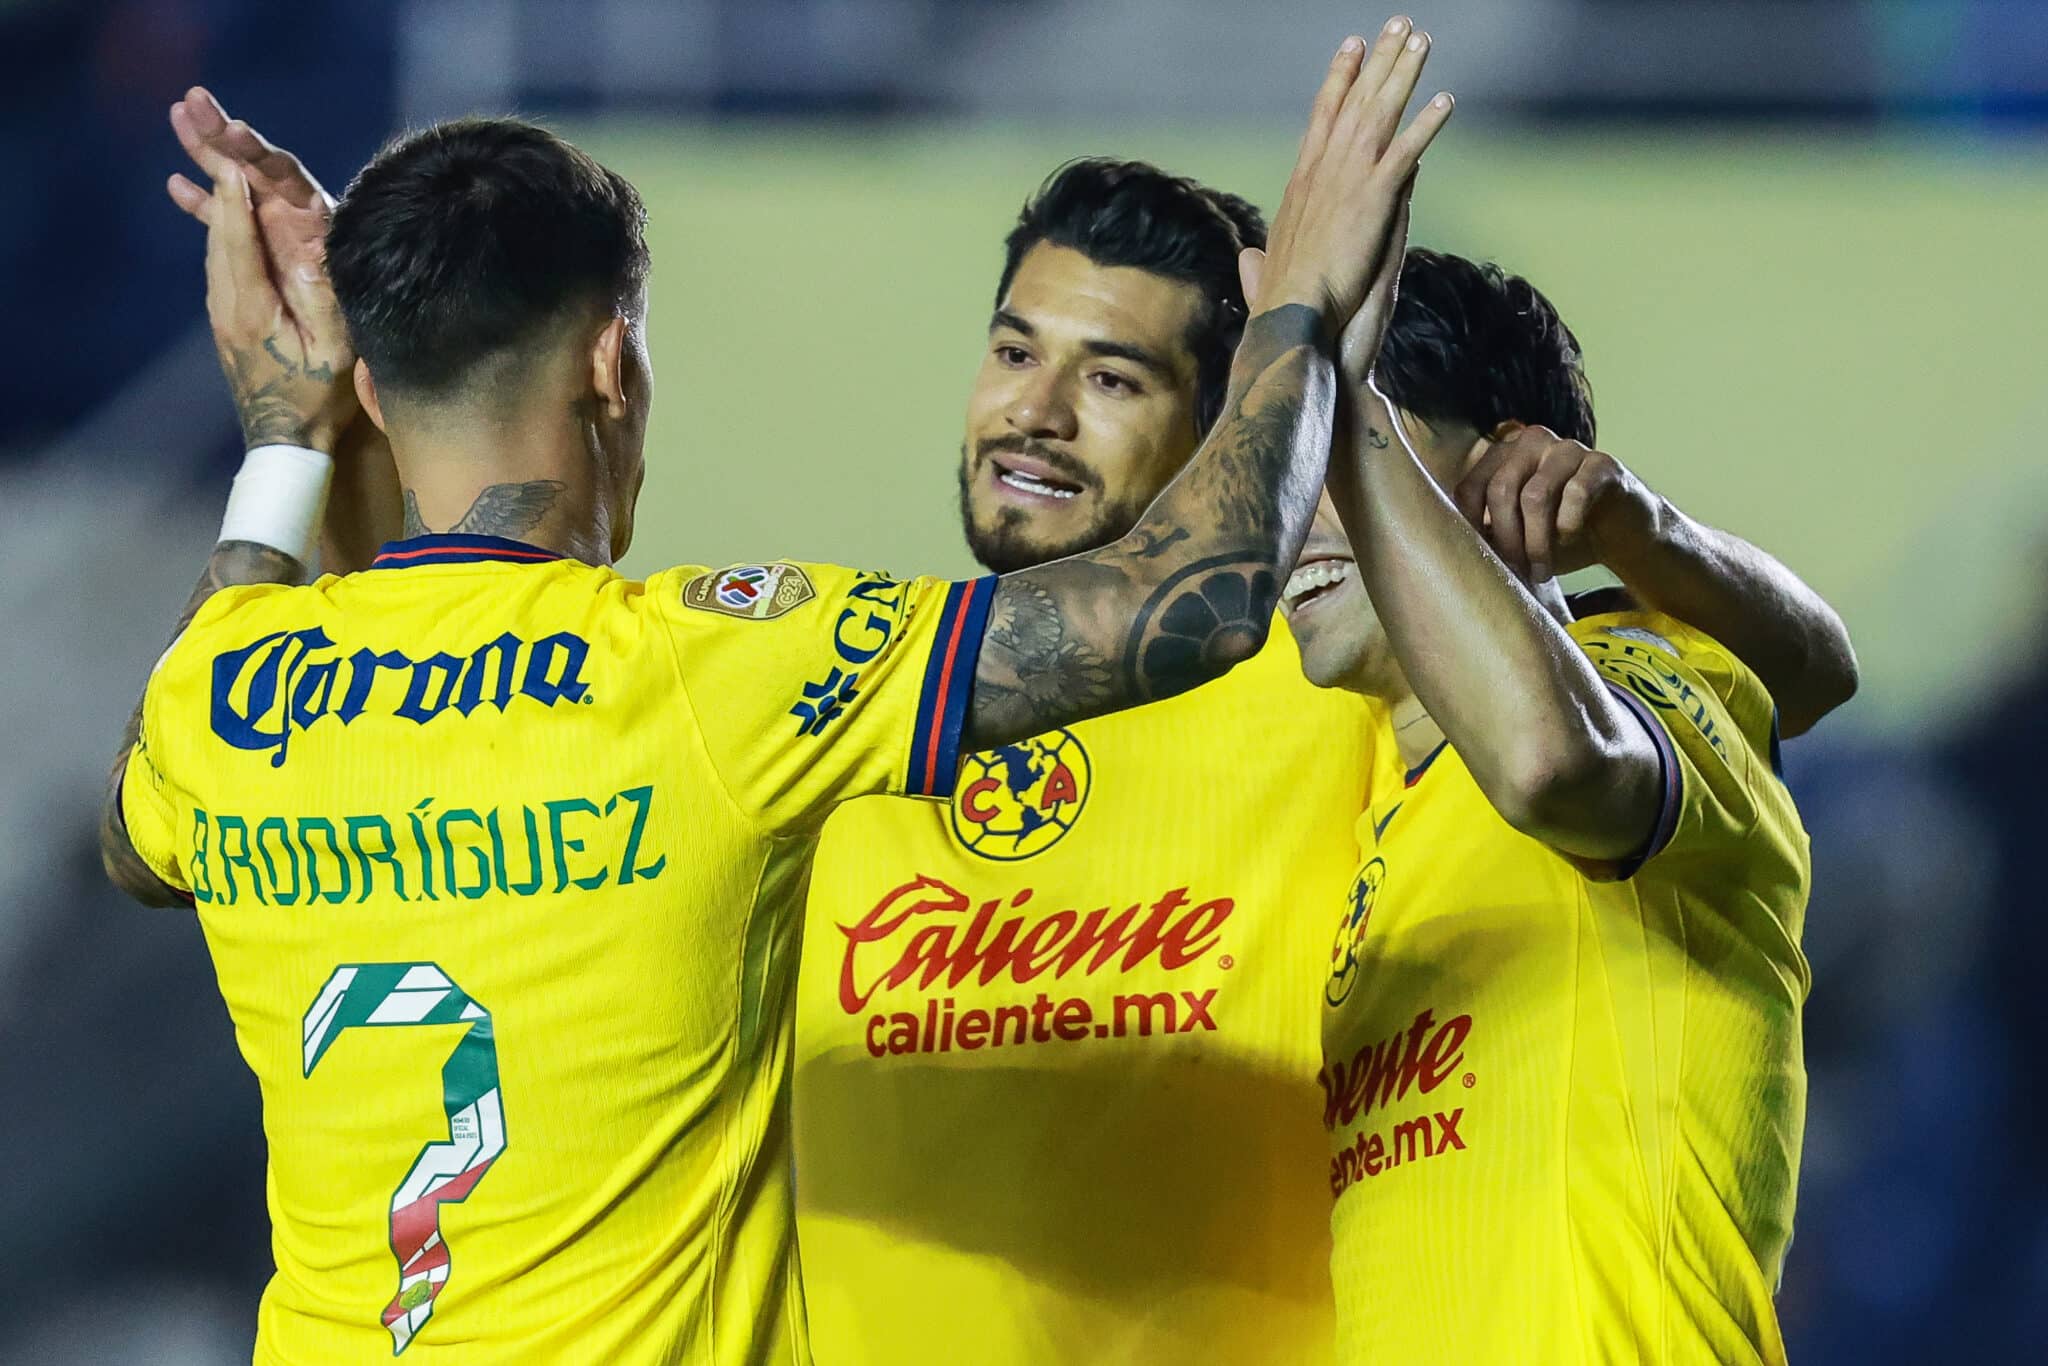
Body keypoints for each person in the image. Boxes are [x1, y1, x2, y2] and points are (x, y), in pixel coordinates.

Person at [168, 55, 1853, 1366]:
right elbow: (411, 662)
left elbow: (1753, 690)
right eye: (1010, 350)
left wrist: (1603, 510)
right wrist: (352, 389)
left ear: (1236, 456)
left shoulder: (1345, 694)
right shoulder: (802, 724)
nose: (1033, 416)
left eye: (1114, 378)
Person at [1270, 245, 1825, 1362]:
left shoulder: (1653, 679)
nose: (1295, 521)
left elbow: (1548, 760)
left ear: (1504, 468)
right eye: (1288, 473)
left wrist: (1334, 379)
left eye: (1345, 451)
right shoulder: (1363, 786)